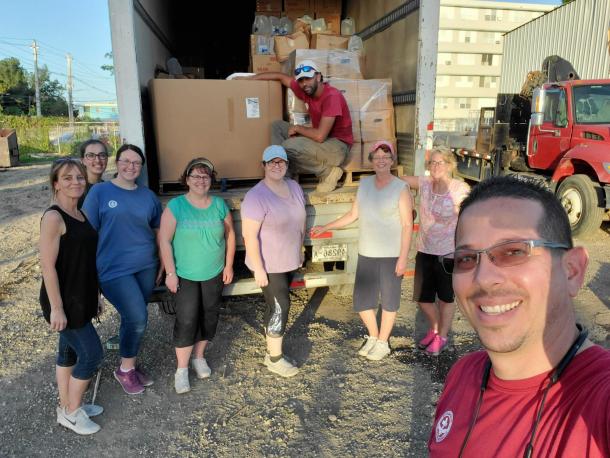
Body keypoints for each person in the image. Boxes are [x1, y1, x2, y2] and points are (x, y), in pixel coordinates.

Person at [429, 176, 610, 457]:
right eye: (466, 258)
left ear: (572, 270)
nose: (484, 279)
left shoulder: (598, 399)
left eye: (514, 251)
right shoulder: (463, 374)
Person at [311, 141, 413, 361]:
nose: (381, 160)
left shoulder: (400, 187)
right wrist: (325, 227)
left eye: (386, 156)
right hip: (367, 253)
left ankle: (384, 342)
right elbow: (352, 215)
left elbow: (407, 225)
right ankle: (374, 336)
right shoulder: (365, 184)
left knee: (389, 300)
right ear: (371, 161)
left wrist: (403, 258)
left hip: (390, 254)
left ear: (392, 160)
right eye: (377, 157)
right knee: (362, 301)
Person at [82, 144, 163, 395]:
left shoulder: (148, 196)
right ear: (117, 163)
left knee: (132, 317)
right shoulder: (99, 192)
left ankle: (130, 362)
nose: (131, 166)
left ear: (141, 167)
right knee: (138, 316)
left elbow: (159, 229)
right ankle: (125, 370)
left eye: (136, 163)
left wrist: (162, 260)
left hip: (146, 266)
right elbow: (86, 235)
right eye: (126, 161)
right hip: (114, 269)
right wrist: (88, 275)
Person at [158, 158, 236, 394]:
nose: (201, 180)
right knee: (188, 319)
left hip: (213, 273)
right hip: (185, 275)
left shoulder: (219, 205)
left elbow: (230, 235)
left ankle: (199, 357)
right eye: (196, 176)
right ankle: (181, 369)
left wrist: (229, 265)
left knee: (209, 316)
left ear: (211, 180)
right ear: (186, 179)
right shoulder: (176, 206)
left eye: (206, 176)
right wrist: (170, 273)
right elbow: (164, 240)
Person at [39, 158, 104, 435]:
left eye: (79, 177)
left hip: (83, 295)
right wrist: (57, 308)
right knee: (91, 355)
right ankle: (72, 412)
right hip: (65, 301)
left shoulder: (81, 213)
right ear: (56, 184)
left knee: (67, 352)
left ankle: (66, 405)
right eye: (67, 178)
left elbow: (86, 259)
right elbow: (47, 266)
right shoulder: (54, 217)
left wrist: (97, 294)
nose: (75, 182)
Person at [241, 145, 306, 377]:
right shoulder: (255, 197)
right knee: (281, 307)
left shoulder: (294, 187)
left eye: (281, 162)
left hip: (288, 260)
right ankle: (275, 359)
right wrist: (258, 269)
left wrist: (300, 249)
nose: (276, 166)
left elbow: (300, 221)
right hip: (268, 264)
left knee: (274, 306)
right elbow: (249, 235)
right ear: (264, 166)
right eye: (271, 162)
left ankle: (272, 348)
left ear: (287, 165)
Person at [242, 60, 353, 193]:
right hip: (323, 141)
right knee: (277, 126)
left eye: (308, 78)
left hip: (337, 147)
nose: (304, 83)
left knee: (287, 147)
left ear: (318, 77)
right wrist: (250, 79)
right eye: (301, 80)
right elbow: (281, 77)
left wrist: (298, 128)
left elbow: (320, 136)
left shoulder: (331, 96)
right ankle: (282, 175)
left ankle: (328, 173)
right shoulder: (307, 91)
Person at [402, 146, 470, 355]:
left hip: (448, 254)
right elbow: (400, 180)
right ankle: (435, 328)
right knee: (423, 298)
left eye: (441, 162)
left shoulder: (460, 189)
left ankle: (442, 337)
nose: (436, 166)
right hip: (424, 250)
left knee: (445, 299)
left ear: (450, 165)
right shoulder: (424, 184)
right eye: (432, 162)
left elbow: (470, 215)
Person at [78, 139, 109, 208]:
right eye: (91, 155)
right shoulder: (77, 188)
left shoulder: (107, 188)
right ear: (83, 160)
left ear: (107, 159)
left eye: (102, 155)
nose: (98, 160)